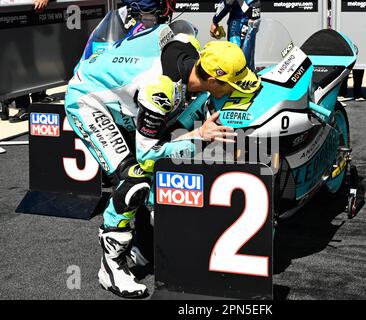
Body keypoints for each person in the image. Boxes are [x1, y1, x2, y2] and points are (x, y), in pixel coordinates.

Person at [64, 22, 260, 298]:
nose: (233, 90)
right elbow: (148, 157)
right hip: (89, 100)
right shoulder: (160, 90)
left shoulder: (191, 49)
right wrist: (199, 137)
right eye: (231, 86)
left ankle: (144, 248)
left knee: (175, 138)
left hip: (124, 97)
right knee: (135, 178)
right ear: (213, 80)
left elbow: (177, 31)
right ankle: (111, 268)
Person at [210, 0, 261, 70]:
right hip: (250, 23)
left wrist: (215, 21)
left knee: (236, 54)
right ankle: (248, 74)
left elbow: (227, 3)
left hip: (238, 24)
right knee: (246, 54)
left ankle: (241, 75)